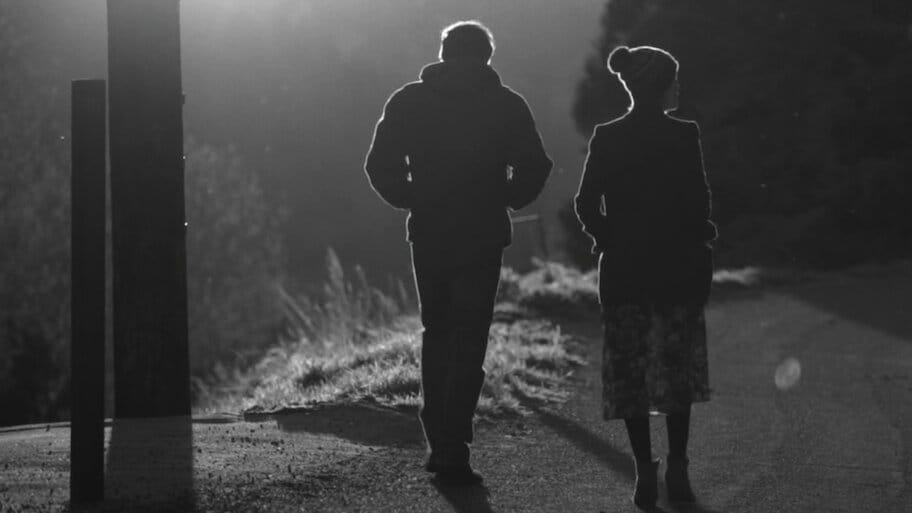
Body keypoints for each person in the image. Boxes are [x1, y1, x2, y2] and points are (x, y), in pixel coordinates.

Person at [365, 20, 552, 485]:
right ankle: (455, 442)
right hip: (483, 233)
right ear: (487, 57)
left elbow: (378, 164)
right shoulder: (506, 104)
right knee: (470, 336)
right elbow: (536, 165)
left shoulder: (409, 100)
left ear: (443, 53)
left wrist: (412, 197)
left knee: (438, 331)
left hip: (429, 232)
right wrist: (506, 197)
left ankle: (439, 440)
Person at [574, 45, 716, 508]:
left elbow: (584, 201)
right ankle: (678, 466)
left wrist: (607, 238)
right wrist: (700, 243)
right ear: (664, 85)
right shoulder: (683, 134)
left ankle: (643, 472)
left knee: (631, 372)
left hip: (625, 271)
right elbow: (698, 202)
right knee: (676, 369)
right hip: (676, 267)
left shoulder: (608, 136)